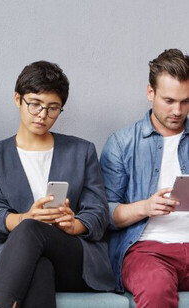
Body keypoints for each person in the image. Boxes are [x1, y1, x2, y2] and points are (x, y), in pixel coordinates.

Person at [0, 61, 115, 308]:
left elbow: (99, 212)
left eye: (53, 108)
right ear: (18, 99)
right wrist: (25, 217)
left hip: (74, 259)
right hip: (22, 259)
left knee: (30, 230)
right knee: (38, 263)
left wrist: (75, 225)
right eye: (35, 105)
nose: (43, 115)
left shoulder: (81, 151)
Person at [100, 49, 189, 308]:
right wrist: (145, 207)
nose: (178, 110)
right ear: (150, 92)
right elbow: (103, 214)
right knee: (156, 289)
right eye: (169, 100)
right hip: (147, 250)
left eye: (185, 101)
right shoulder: (122, 144)